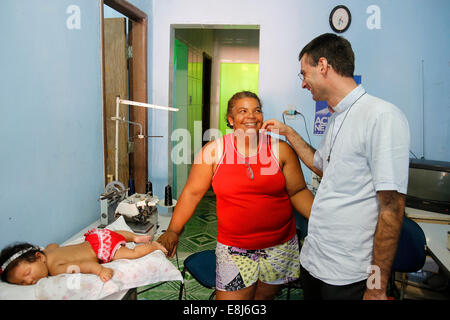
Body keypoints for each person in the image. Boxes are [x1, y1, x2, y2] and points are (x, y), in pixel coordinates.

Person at [262, 33, 410, 300]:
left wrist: (376, 286)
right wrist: (288, 132)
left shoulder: (381, 116)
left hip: (348, 274)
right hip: (315, 262)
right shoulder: (337, 117)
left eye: (303, 73)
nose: (304, 83)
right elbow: (321, 166)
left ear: (323, 65)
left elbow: (392, 209)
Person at [157, 91, 314, 300]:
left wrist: (325, 220)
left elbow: (298, 191)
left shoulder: (280, 150)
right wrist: (173, 231)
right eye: (243, 111)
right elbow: (192, 193)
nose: (251, 115)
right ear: (230, 120)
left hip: (280, 246)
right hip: (235, 250)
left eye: (257, 110)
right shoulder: (213, 152)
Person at [0, 228, 167, 285]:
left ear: (38, 257)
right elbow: (53, 245)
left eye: (27, 273)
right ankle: (134, 237)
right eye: (23, 283)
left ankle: (152, 246)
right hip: (96, 236)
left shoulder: (55, 268)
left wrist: (100, 270)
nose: (29, 281)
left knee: (132, 253)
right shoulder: (48, 251)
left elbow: (84, 264)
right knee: (115, 234)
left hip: (102, 249)